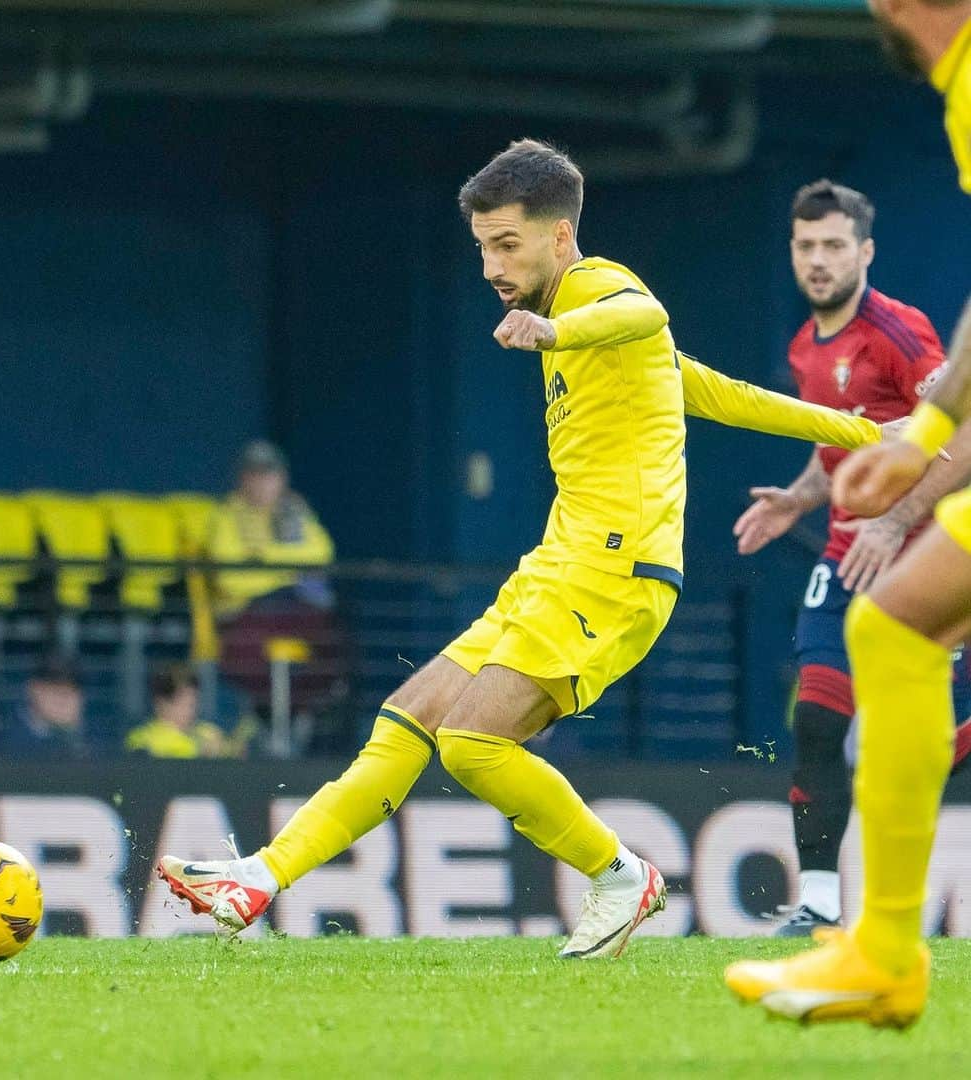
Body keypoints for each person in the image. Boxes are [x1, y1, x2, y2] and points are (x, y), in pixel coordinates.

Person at [157, 139, 908, 956]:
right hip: (558, 564)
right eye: (482, 246)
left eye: (505, 244)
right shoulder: (600, 338)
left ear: (558, 236)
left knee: (473, 743)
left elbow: (644, 312)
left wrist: (557, 328)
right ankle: (259, 879)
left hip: (615, 570)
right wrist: (868, 431)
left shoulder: (593, 290)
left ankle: (621, 877)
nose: (489, 265)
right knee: (406, 719)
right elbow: (722, 394)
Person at [726, 0, 971, 1028]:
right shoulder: (801, 349)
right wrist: (804, 493)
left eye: (834, 244)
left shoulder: (897, 330)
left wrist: (913, 474)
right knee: (869, 655)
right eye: (804, 245)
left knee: (886, 638)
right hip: (858, 536)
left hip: (907, 520)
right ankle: (868, 943)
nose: (817, 261)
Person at [206, 441, 345, 735]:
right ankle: (269, 723)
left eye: (269, 474)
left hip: (295, 608)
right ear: (243, 479)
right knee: (248, 656)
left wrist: (264, 561)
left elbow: (321, 552)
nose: (262, 483)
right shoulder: (227, 516)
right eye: (254, 474)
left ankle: (313, 724)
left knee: (335, 642)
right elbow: (229, 580)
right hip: (245, 613)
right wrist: (289, 570)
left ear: (281, 478)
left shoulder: (295, 511)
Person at [125, 663, 232, 759]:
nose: (191, 710)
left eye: (193, 702)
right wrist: (202, 752)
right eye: (184, 703)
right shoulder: (141, 739)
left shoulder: (209, 732)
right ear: (161, 703)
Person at [0, 655, 92, 758]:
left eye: (72, 689)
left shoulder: (103, 744)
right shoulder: (8, 747)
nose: (63, 698)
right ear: (32, 690)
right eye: (53, 688)